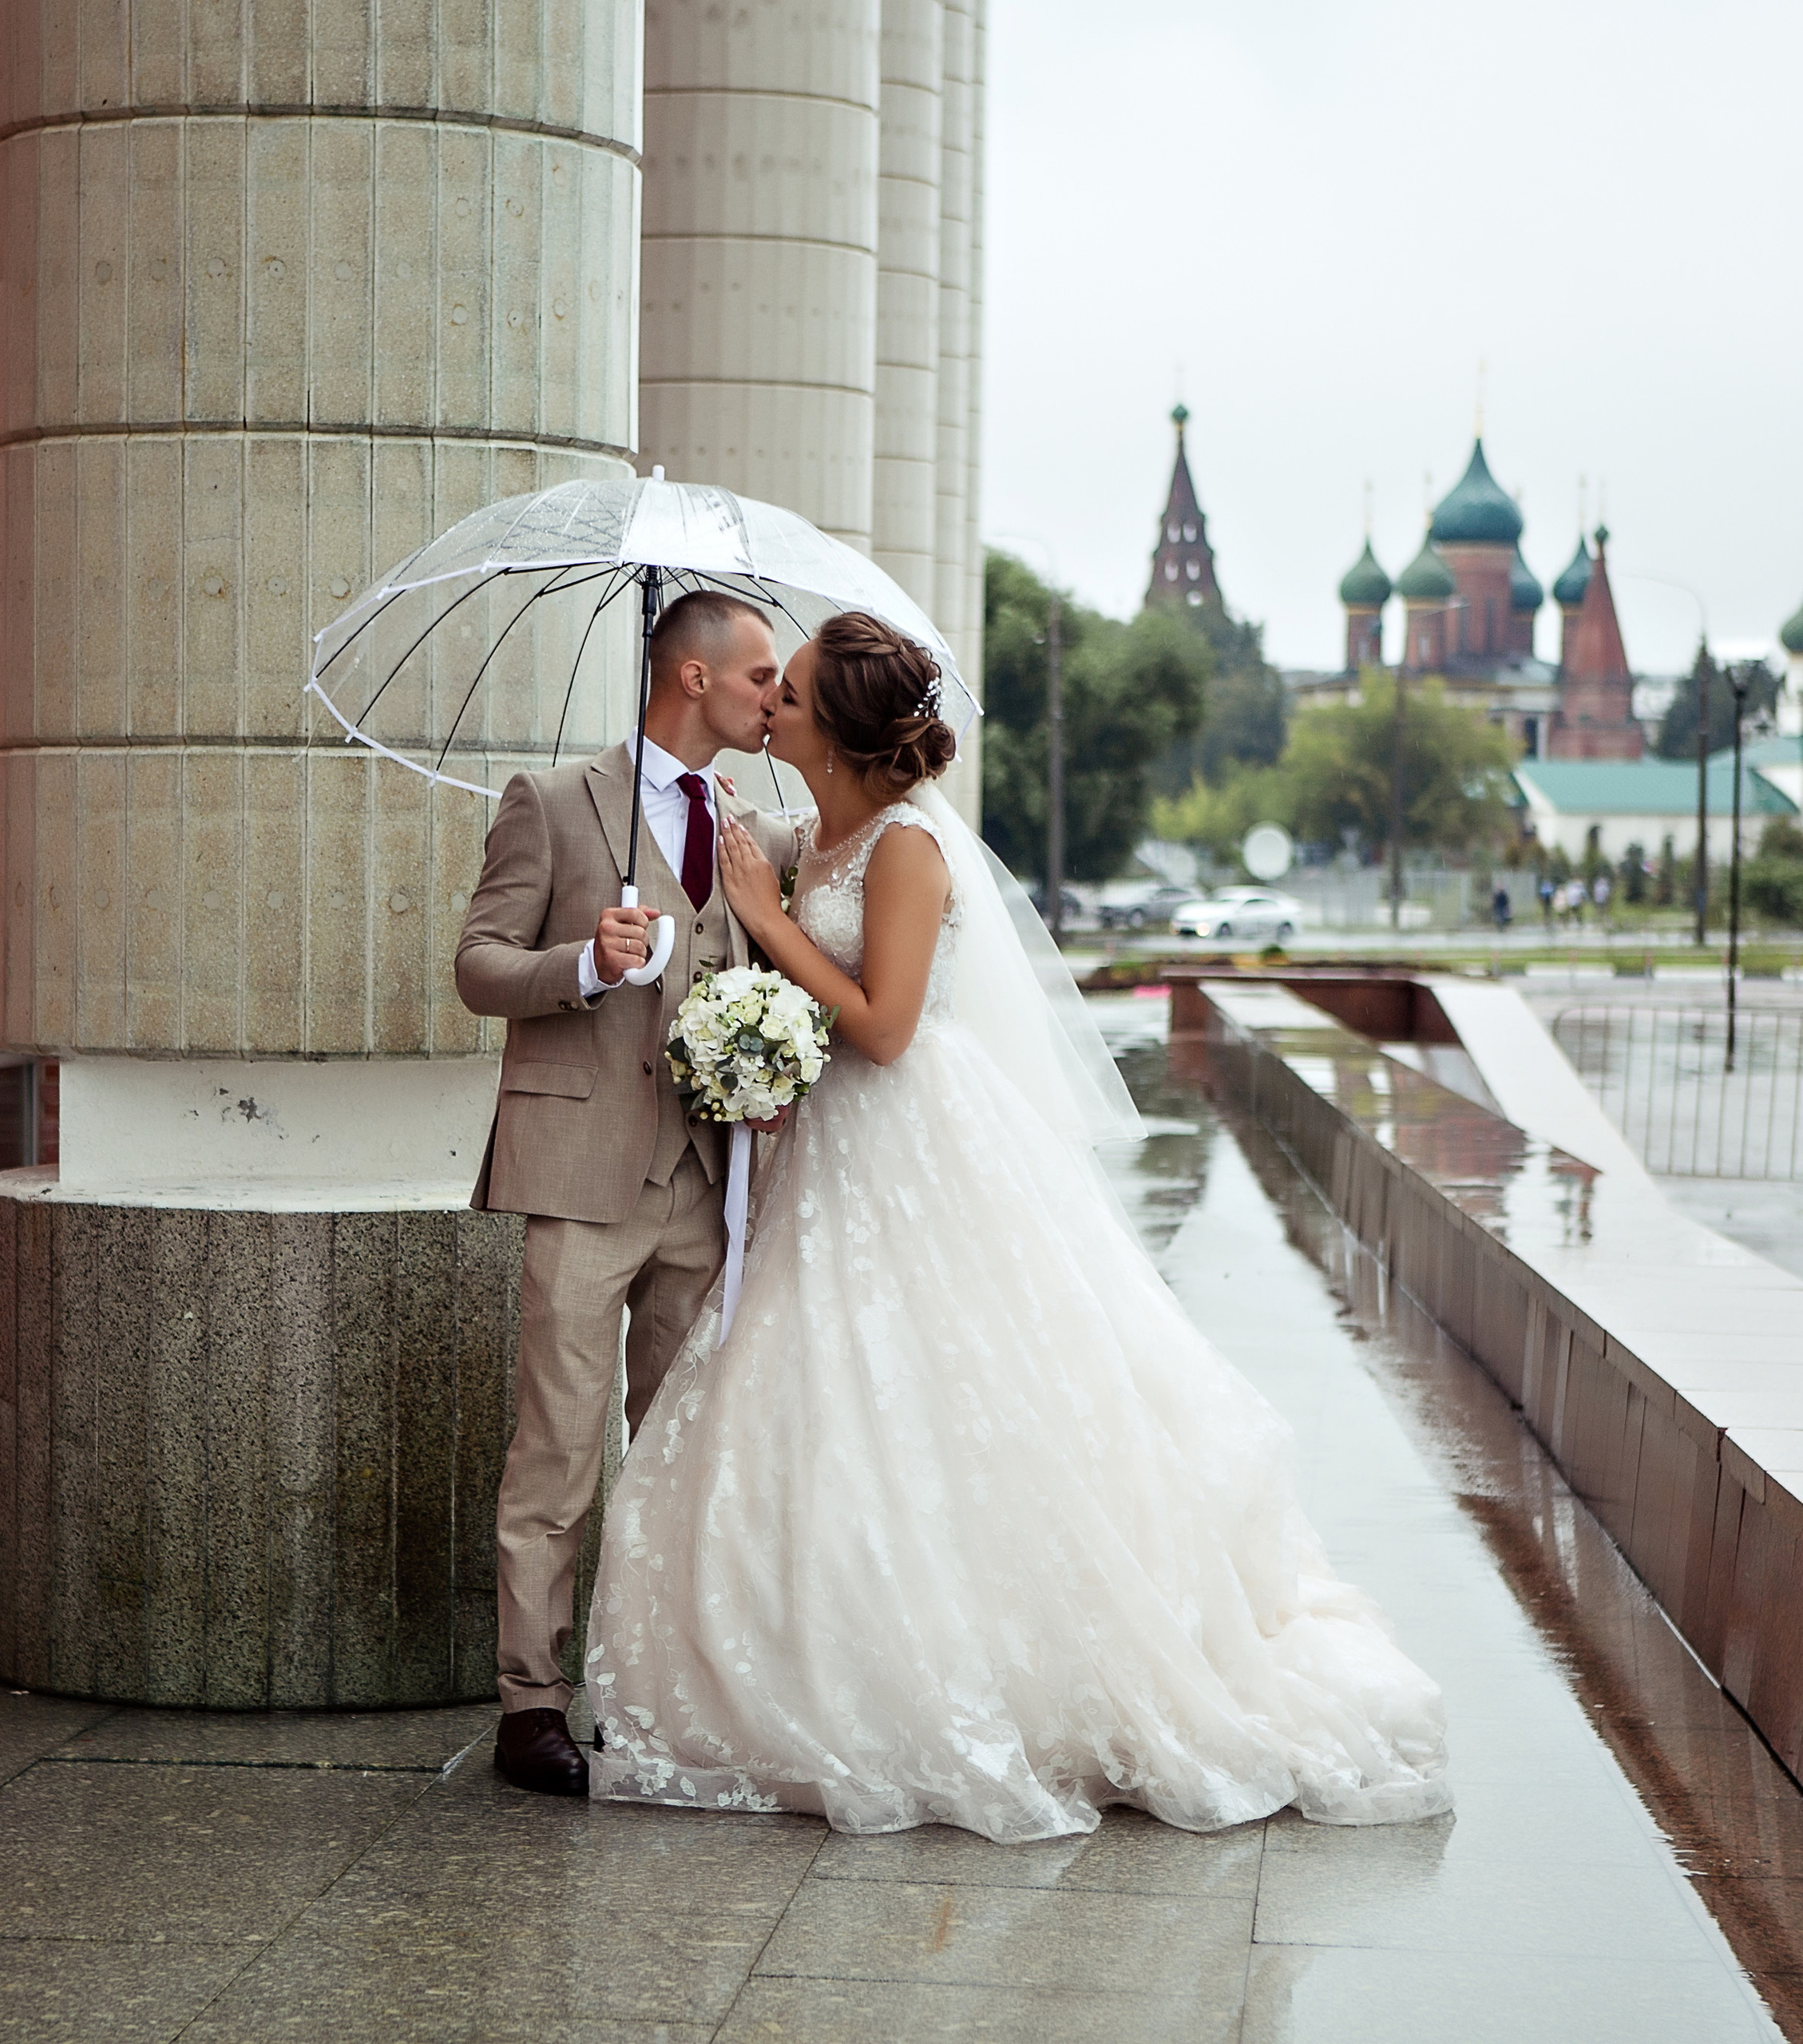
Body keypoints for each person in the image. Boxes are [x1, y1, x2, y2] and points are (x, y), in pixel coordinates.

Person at [586, 612, 1450, 1842]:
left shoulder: (907, 850)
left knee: (940, 1390)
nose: (772, 701)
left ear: (833, 725)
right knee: (820, 1399)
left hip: (910, 1144)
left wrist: (771, 926)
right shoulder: (809, 839)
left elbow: (885, 1028)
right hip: (826, 1156)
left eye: (796, 689)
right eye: (768, 683)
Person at [454, 589, 797, 1797]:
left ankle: (655, 1686)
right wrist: (582, 968)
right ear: (694, 678)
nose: (777, 696)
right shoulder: (553, 805)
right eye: (762, 676)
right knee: (555, 1451)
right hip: (582, 1177)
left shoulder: (758, 823)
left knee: (681, 1451)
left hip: (705, 1187)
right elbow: (477, 969)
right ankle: (530, 1706)